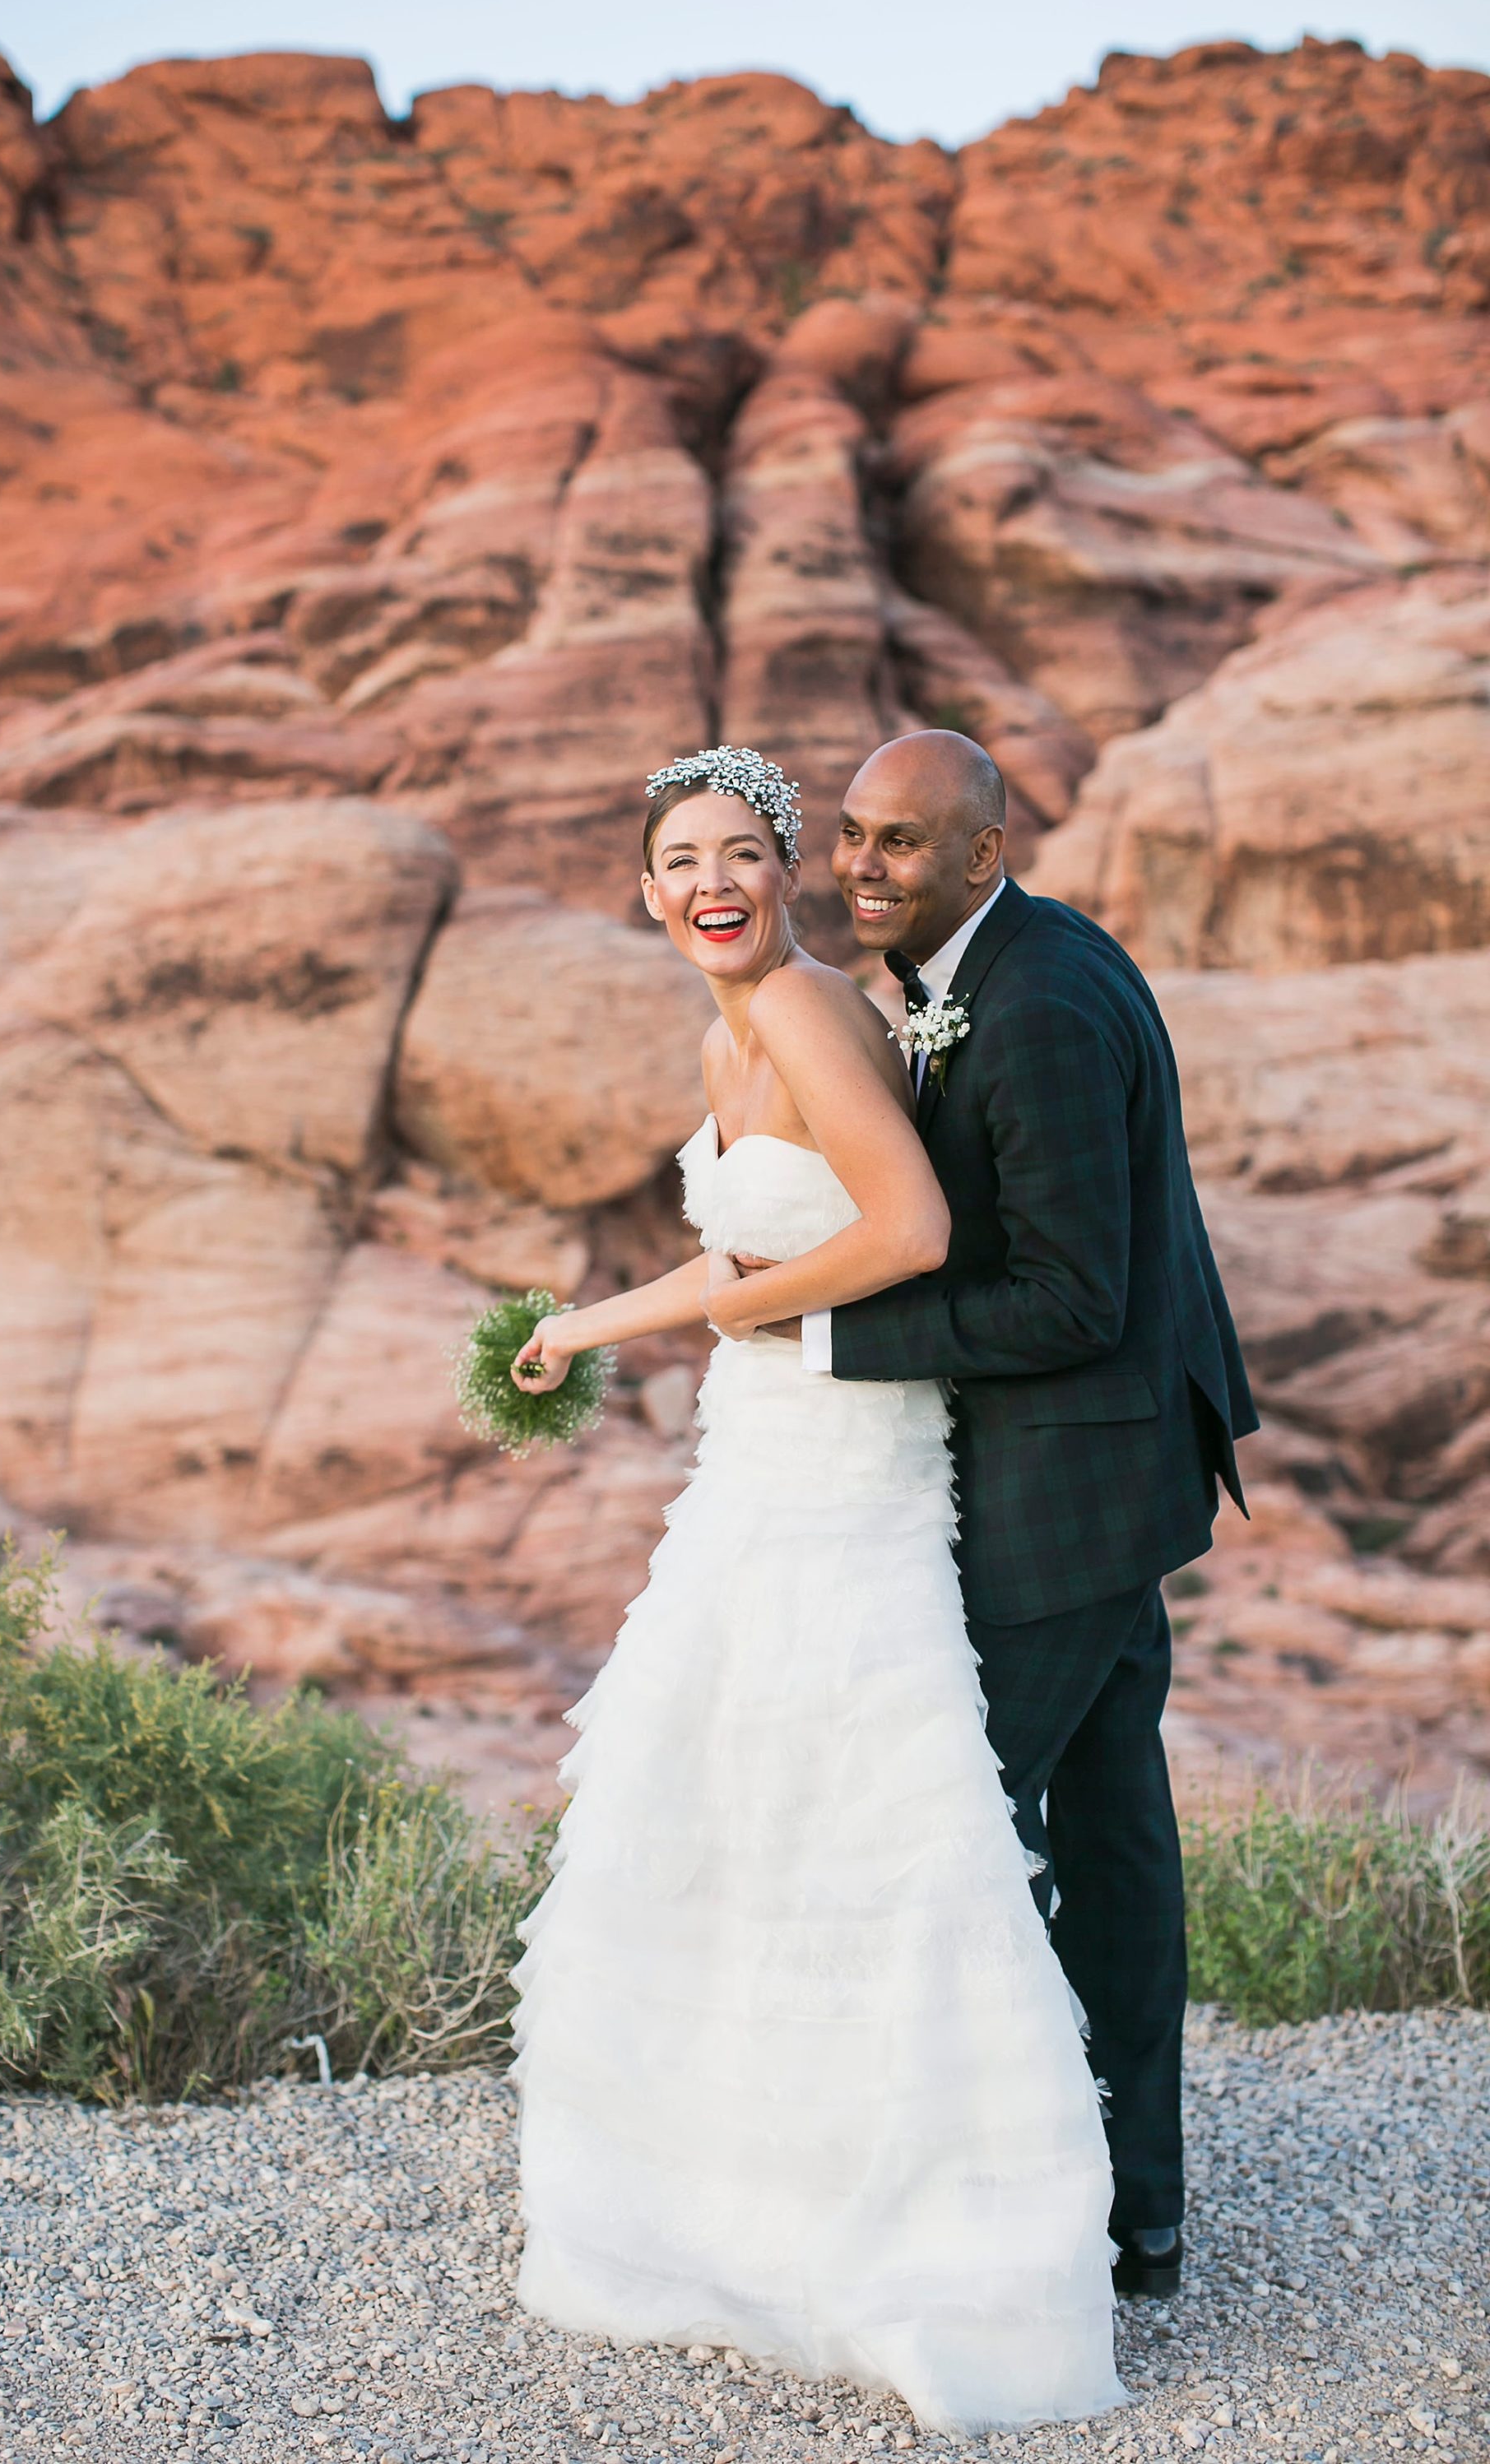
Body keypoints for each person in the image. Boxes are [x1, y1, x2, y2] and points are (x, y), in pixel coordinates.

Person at [506, 745, 1124, 2433]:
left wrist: (752, 1321)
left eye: (738, 851)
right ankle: (757, 2208)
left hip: (838, 1467)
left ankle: (939, 2233)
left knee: (859, 1815)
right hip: (763, 1456)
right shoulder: (755, 1019)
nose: (708, 878)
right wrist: (589, 1325)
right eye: (676, 859)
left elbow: (908, 1228)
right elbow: (745, 1255)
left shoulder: (797, 1014)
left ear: (782, 870)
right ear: (646, 894)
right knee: (749, 1804)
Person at [799, 730, 1258, 2298]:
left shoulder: (1043, 1004)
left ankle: (996, 2210)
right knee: (1117, 1840)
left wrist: (837, 1344)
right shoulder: (996, 961)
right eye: (852, 833)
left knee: (954, 1833)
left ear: (983, 856)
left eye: (903, 845)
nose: (863, 866)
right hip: (1122, 1468)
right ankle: (1137, 2209)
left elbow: (1072, 1297)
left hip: (1073, 1479)